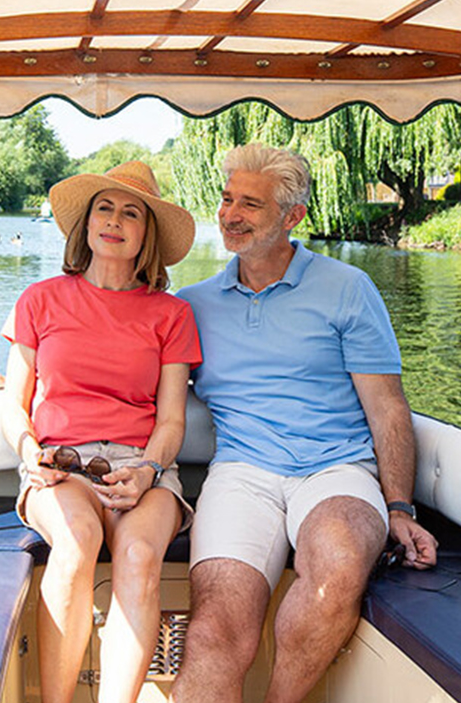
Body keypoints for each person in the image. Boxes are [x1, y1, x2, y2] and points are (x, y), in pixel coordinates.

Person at [172, 144, 437, 703]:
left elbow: (387, 406)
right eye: (226, 199)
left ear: (294, 217)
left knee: (337, 565)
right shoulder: (190, 304)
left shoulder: (347, 289)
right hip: (242, 473)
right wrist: (23, 377)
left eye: (251, 204)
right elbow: (129, 375)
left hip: (337, 469)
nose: (230, 215)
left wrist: (398, 507)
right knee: (215, 624)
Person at [0, 160, 201, 703]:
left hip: (143, 465)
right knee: (76, 541)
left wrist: (148, 471)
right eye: (104, 209)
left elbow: (172, 420)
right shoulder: (39, 300)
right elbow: (13, 406)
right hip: (61, 467)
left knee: (139, 559)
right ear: (85, 226)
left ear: (146, 234)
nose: (114, 221)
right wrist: (27, 452)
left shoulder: (172, 314)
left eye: (130, 213)